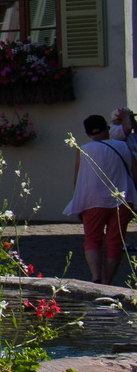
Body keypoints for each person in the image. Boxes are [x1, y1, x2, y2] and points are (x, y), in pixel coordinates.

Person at [62, 113, 136, 283]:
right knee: (115, 241)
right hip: (123, 200)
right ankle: (107, 282)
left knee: (92, 239)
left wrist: (79, 200)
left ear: (88, 134)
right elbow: (135, 173)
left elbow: (78, 179)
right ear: (107, 129)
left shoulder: (84, 150)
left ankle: (95, 277)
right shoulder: (123, 146)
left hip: (92, 201)